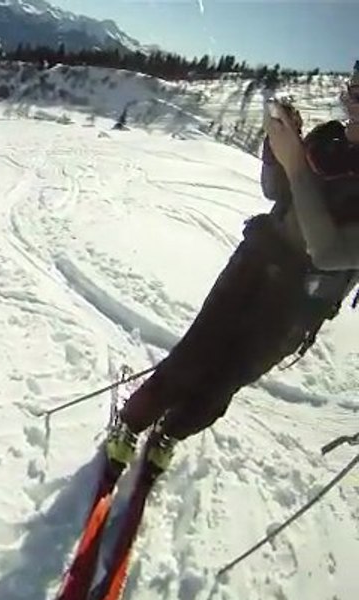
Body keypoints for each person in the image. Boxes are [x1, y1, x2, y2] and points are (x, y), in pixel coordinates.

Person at [107, 62, 359, 473]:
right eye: (352, 88)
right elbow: (275, 190)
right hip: (258, 264)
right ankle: (132, 423)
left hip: (301, 302)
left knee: (224, 381)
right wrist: (277, 150)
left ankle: (170, 433)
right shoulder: (329, 137)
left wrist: (295, 162)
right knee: (194, 355)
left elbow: (328, 252)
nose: (351, 101)